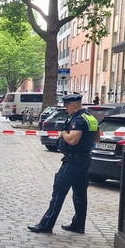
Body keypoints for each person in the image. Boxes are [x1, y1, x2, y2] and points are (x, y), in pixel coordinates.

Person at [28, 94, 99, 234]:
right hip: (85, 160)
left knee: (59, 192)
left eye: (66, 106)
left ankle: (46, 225)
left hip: (73, 160)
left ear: (73, 105)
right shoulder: (91, 118)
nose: (66, 109)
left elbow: (73, 140)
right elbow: (97, 137)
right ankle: (78, 225)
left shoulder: (78, 120)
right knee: (80, 193)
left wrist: (63, 134)